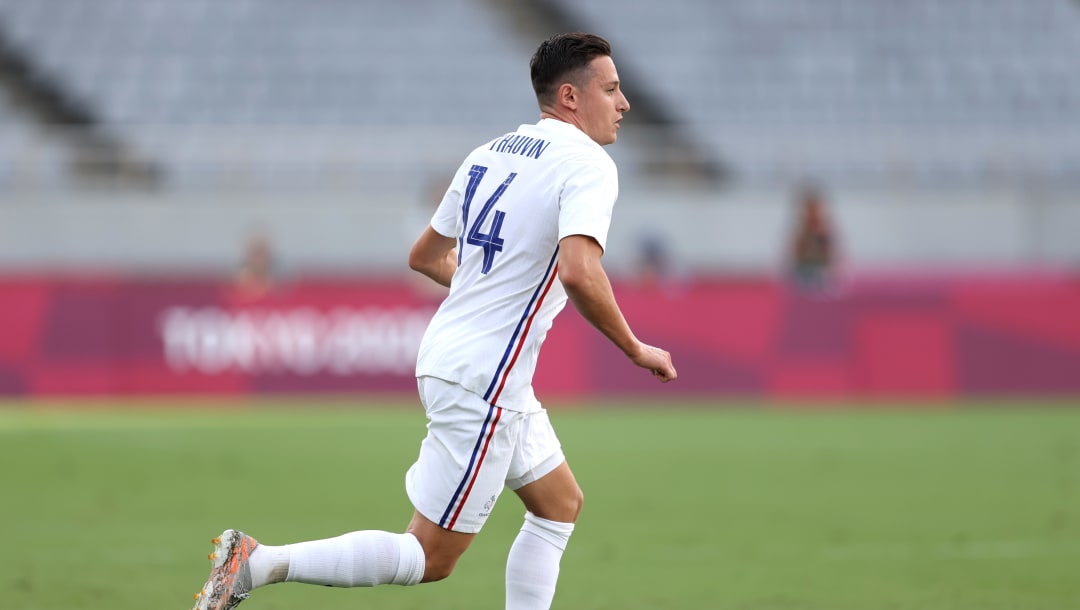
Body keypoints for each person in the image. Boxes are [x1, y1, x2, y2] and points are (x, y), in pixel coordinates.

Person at [190, 32, 677, 610]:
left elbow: (423, 255)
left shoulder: (489, 154)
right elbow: (579, 270)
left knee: (559, 504)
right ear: (570, 97)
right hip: (486, 379)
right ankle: (259, 563)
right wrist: (634, 346)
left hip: (470, 364)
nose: (624, 103)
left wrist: (489, 288)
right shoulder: (589, 164)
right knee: (429, 556)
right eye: (612, 89)